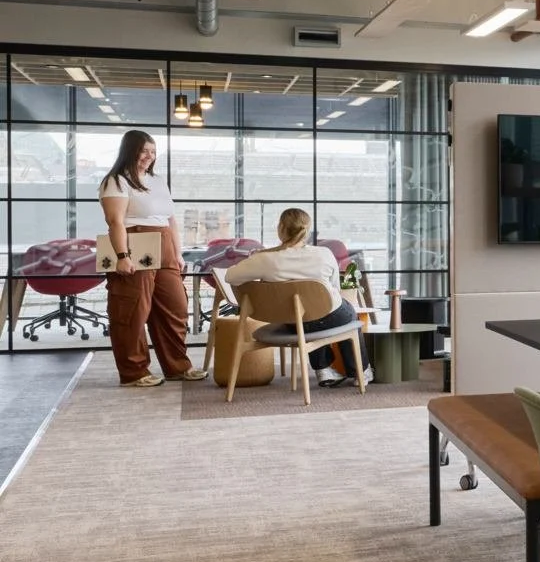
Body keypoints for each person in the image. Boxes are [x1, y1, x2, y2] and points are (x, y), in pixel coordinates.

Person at [98, 129, 205, 387]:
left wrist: (177, 253)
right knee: (133, 309)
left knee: (175, 306)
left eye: (153, 151)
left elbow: (170, 219)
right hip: (135, 242)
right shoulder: (116, 180)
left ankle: (178, 367)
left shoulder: (157, 181)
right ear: (130, 150)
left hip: (164, 242)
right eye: (144, 150)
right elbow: (115, 221)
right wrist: (122, 256)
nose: (149, 156)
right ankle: (134, 372)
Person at [225, 208, 367, 384]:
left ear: (281, 228)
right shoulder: (324, 254)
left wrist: (257, 262)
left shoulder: (265, 259)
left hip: (293, 322)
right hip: (328, 316)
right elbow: (335, 290)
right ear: (306, 230)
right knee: (346, 313)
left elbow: (230, 276)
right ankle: (360, 372)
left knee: (305, 313)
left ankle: (323, 369)